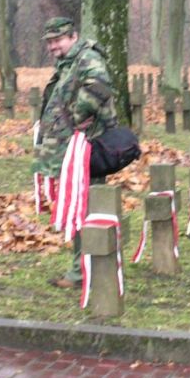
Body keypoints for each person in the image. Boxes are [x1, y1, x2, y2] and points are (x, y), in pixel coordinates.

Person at [32, 16, 118, 289]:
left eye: (58, 40)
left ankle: (84, 272)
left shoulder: (87, 58)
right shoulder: (68, 63)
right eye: (49, 42)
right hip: (73, 148)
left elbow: (99, 87)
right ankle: (84, 268)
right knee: (81, 206)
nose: (53, 46)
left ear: (73, 37)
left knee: (86, 206)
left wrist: (75, 118)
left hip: (87, 146)